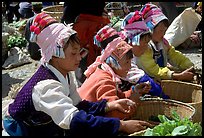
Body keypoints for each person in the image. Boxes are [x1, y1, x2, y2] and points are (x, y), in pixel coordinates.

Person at [2, 12, 153, 136]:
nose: (79, 58)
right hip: (24, 131)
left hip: (44, 125)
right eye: (73, 53)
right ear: (55, 55)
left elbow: (78, 105)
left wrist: (109, 105)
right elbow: (74, 120)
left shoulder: (67, 74)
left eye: (79, 52)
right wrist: (120, 125)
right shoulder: (46, 87)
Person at [78, 25, 142, 120]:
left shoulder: (104, 72)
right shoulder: (104, 80)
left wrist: (133, 91)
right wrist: (133, 101)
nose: (130, 66)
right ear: (113, 63)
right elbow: (114, 115)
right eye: (127, 62)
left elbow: (118, 96)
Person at [135, 3, 195, 82]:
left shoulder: (163, 43)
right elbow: (153, 70)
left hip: (161, 78)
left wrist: (189, 66)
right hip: (147, 81)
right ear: (150, 30)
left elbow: (174, 55)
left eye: (165, 31)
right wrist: (176, 76)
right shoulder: (143, 47)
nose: (163, 33)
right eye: (160, 31)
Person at [120, 10, 169, 99]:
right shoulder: (123, 62)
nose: (146, 48)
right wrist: (166, 97)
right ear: (132, 42)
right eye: (145, 43)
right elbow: (142, 79)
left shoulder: (131, 57)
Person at [72, 0, 111, 85]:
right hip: (98, 56)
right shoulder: (102, 23)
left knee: (83, 78)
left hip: (82, 55)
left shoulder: (79, 24)